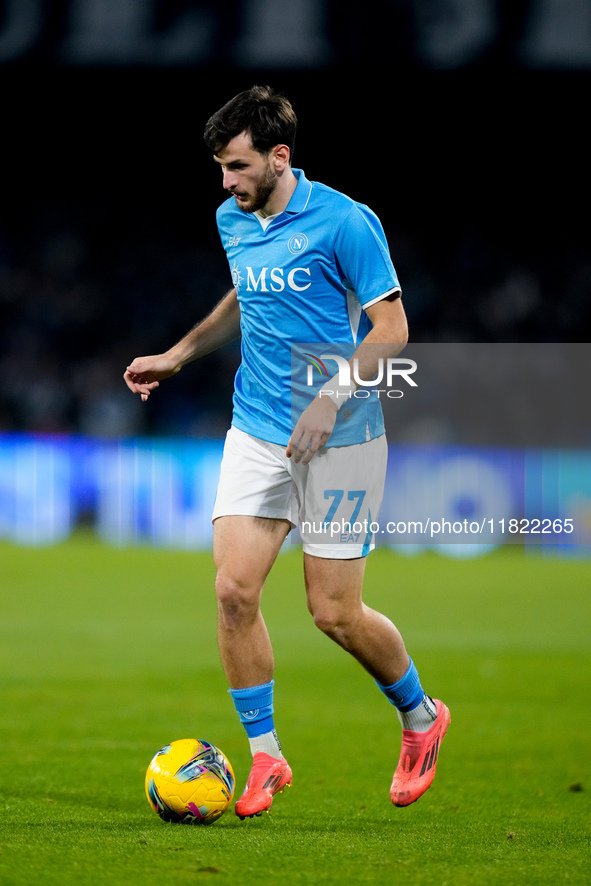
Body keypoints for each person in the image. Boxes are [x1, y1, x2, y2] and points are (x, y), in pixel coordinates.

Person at [124, 86, 450, 819]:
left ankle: (421, 717)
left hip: (343, 436)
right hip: (256, 430)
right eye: (219, 169)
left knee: (333, 612)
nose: (226, 183)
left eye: (237, 166)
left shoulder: (345, 222)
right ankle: (266, 756)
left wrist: (330, 400)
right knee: (233, 592)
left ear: (279, 156)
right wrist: (178, 354)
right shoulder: (231, 219)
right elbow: (244, 297)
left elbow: (390, 331)